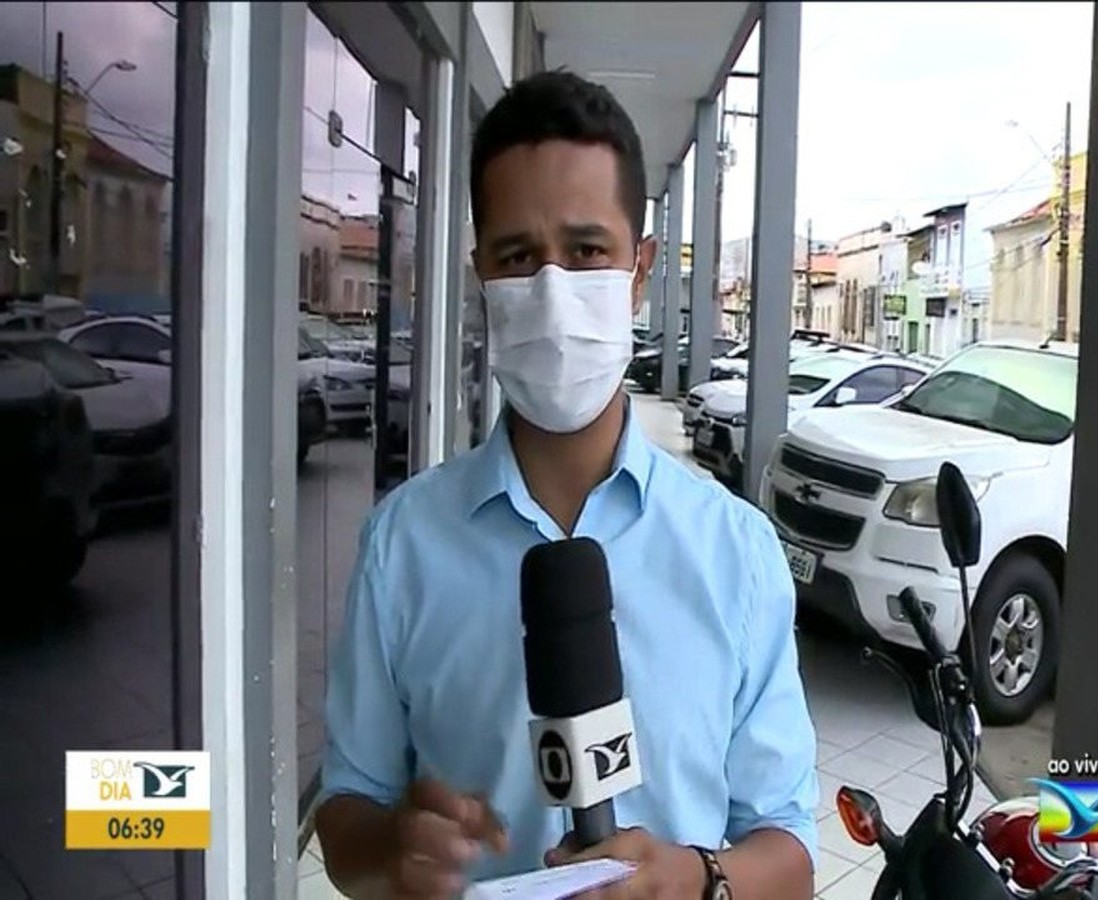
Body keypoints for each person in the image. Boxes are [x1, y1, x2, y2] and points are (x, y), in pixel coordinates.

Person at [315, 69, 819, 899]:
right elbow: (346, 812)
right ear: (481, 274)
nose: (551, 290)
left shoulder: (736, 553)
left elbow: (791, 854)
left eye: (586, 251)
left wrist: (695, 879)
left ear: (639, 269)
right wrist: (391, 846)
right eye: (519, 256)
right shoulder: (401, 546)